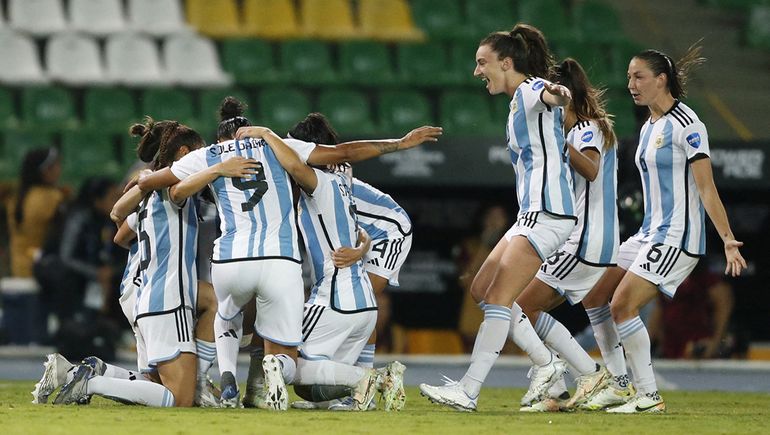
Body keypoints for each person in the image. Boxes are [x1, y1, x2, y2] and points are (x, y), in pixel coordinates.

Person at [419, 23, 576, 412]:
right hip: (530, 215)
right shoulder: (516, 102)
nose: (477, 71)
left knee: (501, 298)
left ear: (507, 63)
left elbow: (550, 93)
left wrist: (558, 92)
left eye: (482, 62)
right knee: (482, 290)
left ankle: (469, 390)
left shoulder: (529, 91)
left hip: (549, 214)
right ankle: (548, 367)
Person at [52, 122, 255, 407]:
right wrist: (218, 168)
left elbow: (119, 227)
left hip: (145, 294)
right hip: (168, 297)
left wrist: (144, 186)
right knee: (179, 399)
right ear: (183, 153)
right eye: (196, 154)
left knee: (157, 381)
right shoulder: (174, 187)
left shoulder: (149, 195)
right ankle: (91, 383)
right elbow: (175, 193)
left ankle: (90, 372)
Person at [594, 44, 746, 413]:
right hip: (648, 234)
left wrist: (727, 241)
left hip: (677, 238)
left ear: (661, 80)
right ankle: (619, 383)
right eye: (629, 76)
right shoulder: (648, 127)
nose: (631, 83)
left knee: (622, 306)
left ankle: (647, 396)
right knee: (594, 297)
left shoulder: (688, 125)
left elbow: (707, 189)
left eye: (638, 76)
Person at [277, 113, 411, 411]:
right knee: (321, 383)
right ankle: (350, 399)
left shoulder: (318, 181)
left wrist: (265, 134)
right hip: (363, 305)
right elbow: (359, 226)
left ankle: (374, 378)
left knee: (293, 366)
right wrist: (362, 247)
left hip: (336, 300)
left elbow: (294, 163)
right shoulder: (341, 180)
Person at [511, 58, 619, 412]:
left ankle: (584, 376)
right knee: (525, 307)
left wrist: (557, 143)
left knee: (521, 306)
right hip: (582, 239)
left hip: (585, 239)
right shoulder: (574, 130)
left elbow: (589, 168)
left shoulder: (588, 128)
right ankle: (560, 388)